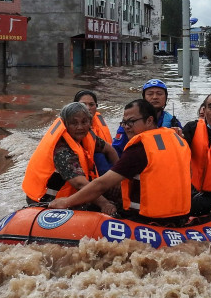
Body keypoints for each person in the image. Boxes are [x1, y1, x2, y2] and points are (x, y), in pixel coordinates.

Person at [49, 99, 191, 222]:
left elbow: (101, 184)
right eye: (124, 122)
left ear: (149, 120)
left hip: (149, 218)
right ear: (65, 125)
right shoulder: (177, 138)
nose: (127, 127)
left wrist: (66, 202)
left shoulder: (139, 149)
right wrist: (118, 176)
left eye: (131, 122)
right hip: (181, 215)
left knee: (105, 205)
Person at [22, 102, 100, 206]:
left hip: (69, 194)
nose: (80, 127)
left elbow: (109, 150)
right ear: (65, 124)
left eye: (84, 122)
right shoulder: (62, 149)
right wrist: (104, 203)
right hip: (45, 202)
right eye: (74, 123)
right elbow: (80, 183)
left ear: (90, 122)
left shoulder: (85, 135)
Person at [112, 79, 182, 156]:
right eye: (150, 94)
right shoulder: (129, 123)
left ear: (166, 98)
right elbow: (117, 150)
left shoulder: (173, 122)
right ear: (144, 98)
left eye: (159, 94)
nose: (155, 97)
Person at [73, 89, 119, 173]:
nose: (87, 108)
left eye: (91, 104)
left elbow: (109, 149)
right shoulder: (69, 127)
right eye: (83, 104)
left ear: (96, 106)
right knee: (99, 157)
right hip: (82, 161)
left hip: (104, 156)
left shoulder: (98, 120)